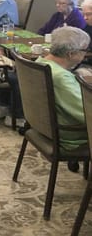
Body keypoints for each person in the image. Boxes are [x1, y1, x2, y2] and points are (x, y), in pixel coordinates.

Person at [35, 27, 89, 164]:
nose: (86, 54)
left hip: (45, 130)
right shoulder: (61, 78)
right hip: (72, 137)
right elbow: (87, 114)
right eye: (85, 50)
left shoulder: (41, 63)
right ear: (71, 54)